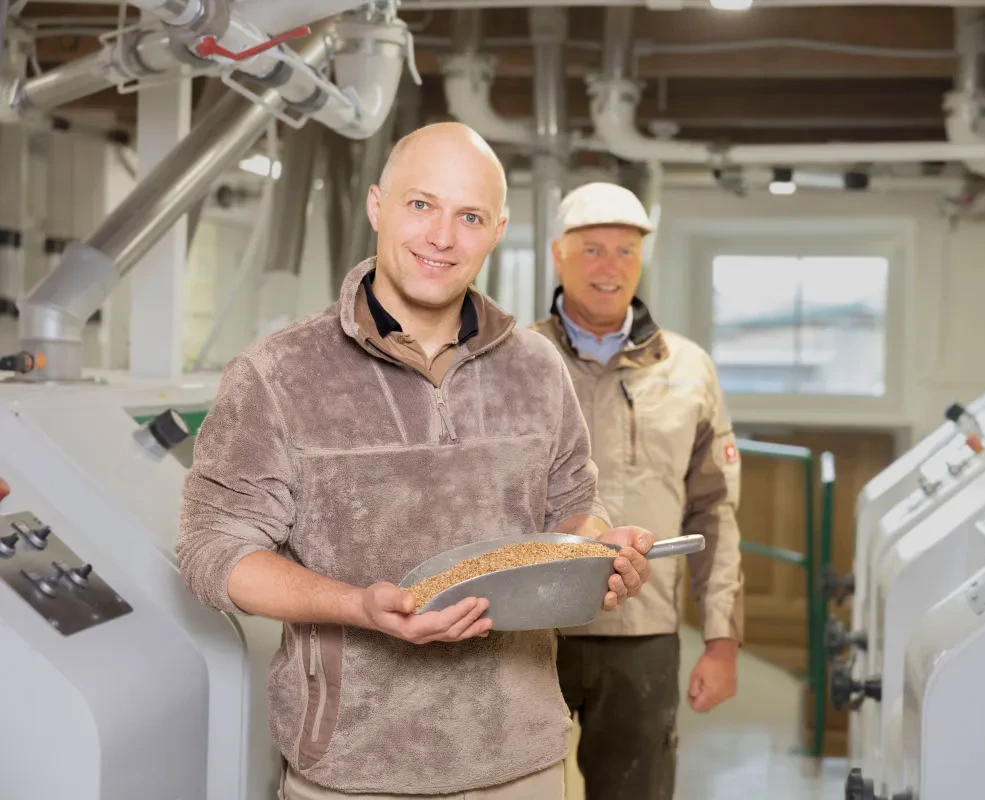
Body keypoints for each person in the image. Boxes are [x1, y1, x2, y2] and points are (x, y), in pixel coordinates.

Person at [176, 124, 656, 800]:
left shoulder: (537, 368)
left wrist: (592, 551)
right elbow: (212, 551)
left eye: (469, 216)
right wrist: (358, 607)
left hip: (522, 762)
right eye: (421, 205)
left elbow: (571, 503)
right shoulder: (278, 372)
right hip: (352, 771)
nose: (442, 236)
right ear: (378, 205)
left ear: (497, 230)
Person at [531, 181, 745, 800]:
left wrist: (722, 643)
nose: (610, 267)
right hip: (528, 627)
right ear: (558, 254)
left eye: (626, 252)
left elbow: (717, 512)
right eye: (592, 249)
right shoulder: (516, 359)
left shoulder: (688, 369)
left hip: (643, 631)